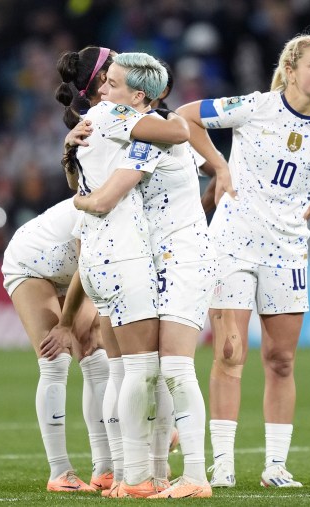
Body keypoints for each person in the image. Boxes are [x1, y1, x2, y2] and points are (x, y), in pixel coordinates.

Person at [177, 33, 310, 488]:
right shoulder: (255, 107)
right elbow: (187, 117)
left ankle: (276, 467)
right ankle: (222, 464)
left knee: (281, 359)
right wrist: (219, 167)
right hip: (232, 243)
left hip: (287, 251)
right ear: (290, 71)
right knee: (229, 351)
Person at [70, 60, 216, 499]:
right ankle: (153, 473)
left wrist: (81, 201)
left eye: (112, 85)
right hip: (159, 258)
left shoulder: (145, 131)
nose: (102, 92)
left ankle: (193, 475)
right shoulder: (138, 128)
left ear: (138, 98)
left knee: (171, 366)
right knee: (149, 369)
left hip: (185, 256)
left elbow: (108, 196)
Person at [0, 46, 115, 494]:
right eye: (114, 66)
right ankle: (60, 471)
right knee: (56, 356)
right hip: (34, 259)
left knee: (97, 354)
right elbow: (90, 249)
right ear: (101, 81)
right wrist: (65, 322)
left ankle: (105, 467)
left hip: (73, 261)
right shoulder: (100, 138)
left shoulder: (107, 132)